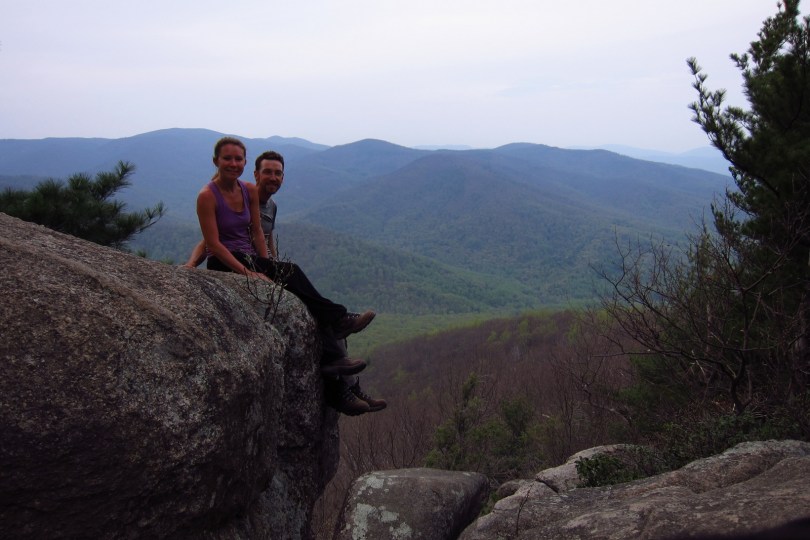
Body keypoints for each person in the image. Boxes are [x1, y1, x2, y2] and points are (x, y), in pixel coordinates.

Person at [188, 138, 385, 414]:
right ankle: (340, 325)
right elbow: (212, 242)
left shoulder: (253, 195)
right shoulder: (209, 196)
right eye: (227, 158)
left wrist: (268, 267)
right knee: (307, 292)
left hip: (253, 261)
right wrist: (209, 267)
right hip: (229, 262)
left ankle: (345, 384)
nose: (233, 163)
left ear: (245, 162)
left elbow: (260, 234)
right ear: (216, 161)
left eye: (238, 159)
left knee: (310, 303)